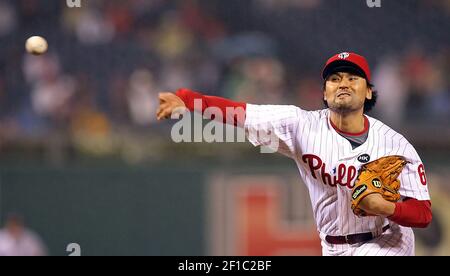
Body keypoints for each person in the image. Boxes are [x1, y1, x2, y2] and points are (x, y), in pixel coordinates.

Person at [156, 52, 432, 256]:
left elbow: (423, 214)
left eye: (352, 77)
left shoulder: (395, 145)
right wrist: (189, 100)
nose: (343, 83)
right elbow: (243, 114)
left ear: (369, 93)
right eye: (334, 79)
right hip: (332, 245)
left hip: (387, 241)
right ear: (324, 93)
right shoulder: (299, 125)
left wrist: (387, 208)